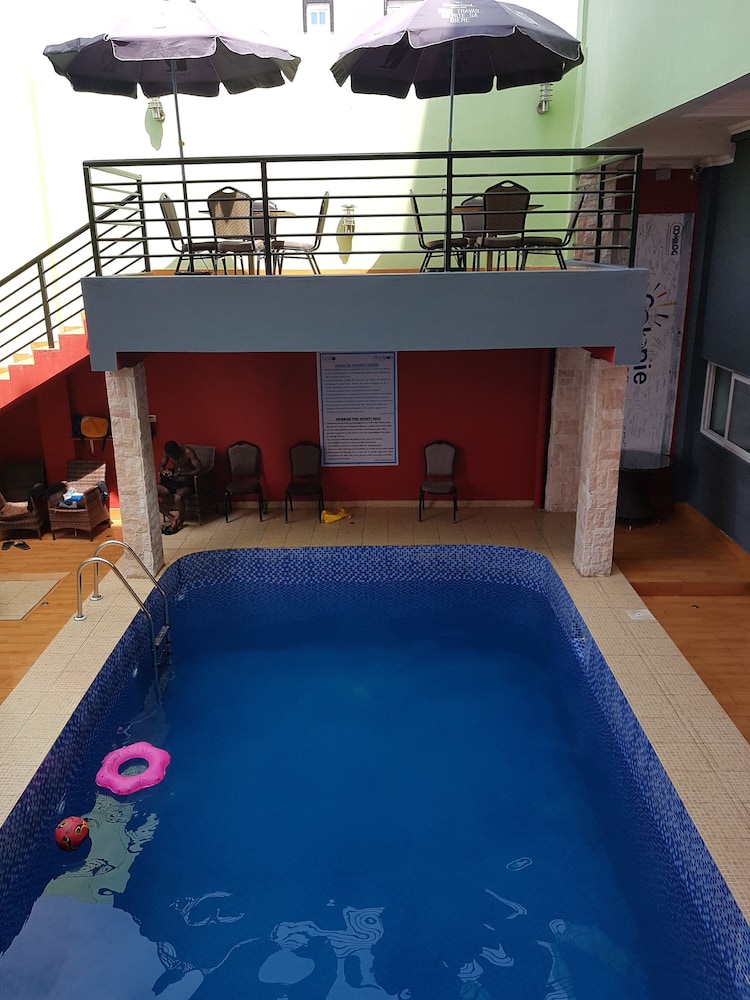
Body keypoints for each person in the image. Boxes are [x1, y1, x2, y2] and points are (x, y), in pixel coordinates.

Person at [157, 441, 202, 534]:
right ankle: (171, 517)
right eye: (171, 456)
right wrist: (164, 471)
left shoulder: (188, 452)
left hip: (187, 482)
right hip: (174, 480)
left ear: (178, 450)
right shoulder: (167, 452)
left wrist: (184, 474)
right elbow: (161, 466)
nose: (173, 458)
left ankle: (181, 521)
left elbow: (199, 469)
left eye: (174, 456)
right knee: (151, 494)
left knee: (178, 497)